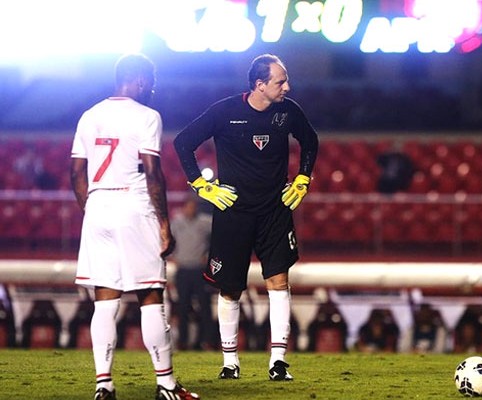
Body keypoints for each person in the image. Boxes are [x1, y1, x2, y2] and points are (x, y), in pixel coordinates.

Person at [174, 54, 319, 381]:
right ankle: (230, 362)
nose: (287, 86)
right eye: (280, 81)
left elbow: (310, 142)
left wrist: (303, 177)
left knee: (279, 282)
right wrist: (200, 185)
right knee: (230, 289)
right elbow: (183, 142)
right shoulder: (225, 111)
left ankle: (278, 361)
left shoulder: (288, 111)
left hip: (274, 211)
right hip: (232, 213)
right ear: (259, 85)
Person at [70, 53, 200, 400]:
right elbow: (153, 172)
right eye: (152, 81)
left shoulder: (89, 115)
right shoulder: (147, 116)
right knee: (151, 296)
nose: (153, 89)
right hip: (133, 204)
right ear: (140, 80)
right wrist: (162, 223)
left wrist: (93, 209)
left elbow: (76, 172)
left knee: (105, 301)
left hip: (97, 206)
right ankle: (167, 385)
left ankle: (104, 385)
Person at [170, 196, 214, 351]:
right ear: (184, 208)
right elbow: (167, 240)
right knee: (182, 307)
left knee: (205, 307)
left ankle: (207, 341)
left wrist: (209, 255)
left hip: (199, 270)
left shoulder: (205, 222)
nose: (191, 210)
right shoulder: (176, 223)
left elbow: (218, 237)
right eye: (188, 207)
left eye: (193, 207)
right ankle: (182, 341)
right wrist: (172, 256)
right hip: (183, 270)